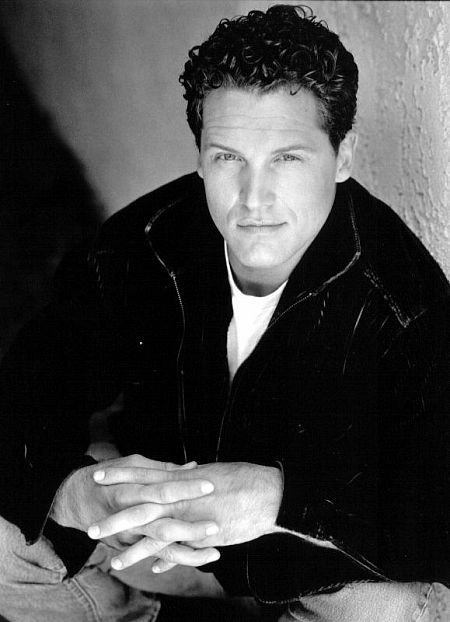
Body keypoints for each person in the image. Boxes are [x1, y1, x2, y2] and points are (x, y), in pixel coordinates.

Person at [0, 4, 449, 621]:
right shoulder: (144, 244)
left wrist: (280, 498)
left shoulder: (404, 301)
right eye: (228, 157)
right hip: (162, 545)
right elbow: (25, 392)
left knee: (408, 610)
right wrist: (67, 490)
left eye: (287, 158)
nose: (253, 199)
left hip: (308, 567)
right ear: (200, 156)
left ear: (343, 156)